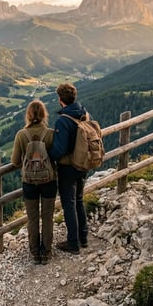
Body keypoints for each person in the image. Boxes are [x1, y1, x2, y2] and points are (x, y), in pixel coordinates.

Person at [11, 99, 57, 265]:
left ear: (28, 115)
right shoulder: (51, 133)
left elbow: (15, 161)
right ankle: (47, 252)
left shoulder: (21, 135)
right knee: (47, 217)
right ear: (44, 114)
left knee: (32, 218)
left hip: (29, 182)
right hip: (49, 180)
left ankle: (35, 254)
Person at [48, 83, 89, 255]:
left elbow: (59, 149)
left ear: (60, 99)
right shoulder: (84, 114)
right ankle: (83, 237)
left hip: (68, 168)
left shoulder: (63, 120)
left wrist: (48, 156)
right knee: (79, 200)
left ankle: (73, 242)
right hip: (83, 165)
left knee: (69, 204)